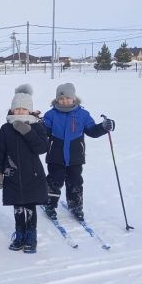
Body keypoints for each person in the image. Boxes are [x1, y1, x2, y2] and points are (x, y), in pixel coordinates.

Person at [43, 83, 115, 221]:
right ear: (57, 99)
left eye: (67, 98)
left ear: (74, 98)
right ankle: (50, 205)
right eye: (61, 98)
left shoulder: (83, 114)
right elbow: (44, 131)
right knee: (54, 181)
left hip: (75, 157)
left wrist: (104, 127)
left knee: (75, 181)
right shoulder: (50, 114)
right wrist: (37, 125)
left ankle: (76, 207)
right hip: (55, 156)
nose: (64, 101)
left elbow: (92, 131)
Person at [0, 85, 48, 253]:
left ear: (30, 110)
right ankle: (20, 235)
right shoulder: (5, 128)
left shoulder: (37, 126)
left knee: (30, 207)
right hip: (13, 174)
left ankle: (31, 236)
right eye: (17, 109)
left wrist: (28, 132)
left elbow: (42, 148)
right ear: (12, 110)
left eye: (24, 108)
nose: (20, 112)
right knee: (17, 207)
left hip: (33, 175)